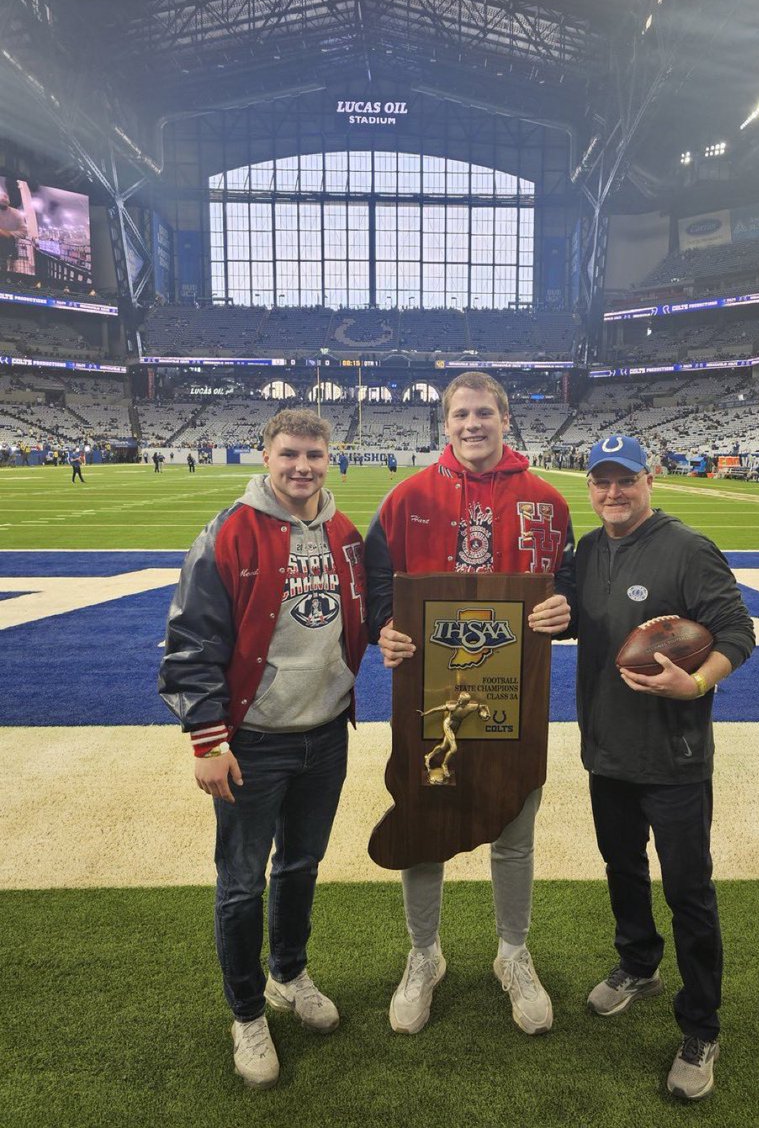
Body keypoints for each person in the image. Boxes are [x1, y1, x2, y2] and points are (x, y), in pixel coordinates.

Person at [158, 409, 368, 1090]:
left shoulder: (345, 533)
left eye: (314, 454)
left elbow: (367, 614)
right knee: (242, 882)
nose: (302, 466)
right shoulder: (229, 531)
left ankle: (288, 974)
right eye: (289, 454)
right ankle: (246, 1011)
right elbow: (191, 642)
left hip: (326, 732)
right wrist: (208, 738)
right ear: (265, 455)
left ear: (330, 458)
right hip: (253, 739)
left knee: (301, 865)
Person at [365, 370, 574, 1038]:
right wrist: (383, 627)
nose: (472, 424)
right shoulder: (406, 498)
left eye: (484, 413)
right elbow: (375, 583)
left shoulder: (547, 500)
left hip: (515, 696)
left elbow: (569, 586)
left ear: (505, 419)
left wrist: (566, 610)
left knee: (514, 831)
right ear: (446, 422)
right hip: (428, 695)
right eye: (460, 414)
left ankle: (513, 951)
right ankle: (424, 953)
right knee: (423, 823)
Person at [571, 435, 755, 1102]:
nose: (613, 492)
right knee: (622, 867)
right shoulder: (587, 551)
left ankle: (701, 1026)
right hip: (607, 749)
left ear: (649, 479)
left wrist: (696, 683)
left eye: (625, 479)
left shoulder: (687, 548)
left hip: (674, 756)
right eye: (602, 481)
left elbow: (738, 632)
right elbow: (570, 622)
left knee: (688, 891)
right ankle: (638, 963)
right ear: (590, 488)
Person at [0, 188, 27, 272]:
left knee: (11, 269)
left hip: (11, 247)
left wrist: (7, 233)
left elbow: (24, 232)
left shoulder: (16, 213)